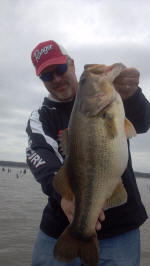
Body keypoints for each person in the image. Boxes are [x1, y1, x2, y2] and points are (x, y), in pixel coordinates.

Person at [26, 40, 150, 266]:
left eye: (60, 69)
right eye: (47, 76)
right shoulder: (41, 116)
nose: (56, 79)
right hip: (60, 227)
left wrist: (133, 95)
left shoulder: (114, 99)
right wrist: (63, 197)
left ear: (71, 64)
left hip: (121, 229)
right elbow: (39, 155)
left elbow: (142, 123)